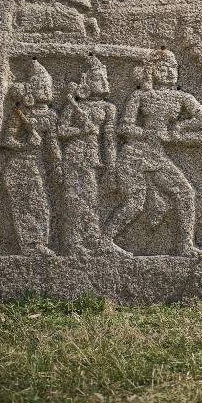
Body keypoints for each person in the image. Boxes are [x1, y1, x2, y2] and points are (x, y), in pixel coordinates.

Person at [104, 48, 202, 256]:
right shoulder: (141, 95)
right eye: (164, 67)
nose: (170, 71)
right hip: (135, 155)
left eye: (173, 67)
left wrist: (180, 128)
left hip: (157, 155)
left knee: (185, 193)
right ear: (152, 71)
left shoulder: (182, 97)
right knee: (135, 203)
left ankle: (185, 245)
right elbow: (124, 128)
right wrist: (150, 133)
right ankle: (105, 240)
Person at [0, 59, 62, 256]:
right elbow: (7, 140)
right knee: (27, 203)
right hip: (19, 165)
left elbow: (52, 143)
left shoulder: (50, 116)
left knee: (43, 203)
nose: (45, 89)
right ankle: (31, 245)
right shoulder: (20, 114)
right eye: (41, 86)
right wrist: (25, 144)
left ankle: (41, 242)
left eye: (47, 86)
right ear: (31, 89)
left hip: (37, 165)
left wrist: (58, 164)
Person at [57, 54, 117, 255]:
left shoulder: (109, 108)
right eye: (98, 79)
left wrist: (111, 165)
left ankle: (91, 238)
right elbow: (61, 130)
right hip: (74, 154)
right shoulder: (74, 105)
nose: (104, 83)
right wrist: (82, 131)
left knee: (91, 198)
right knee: (74, 197)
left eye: (104, 79)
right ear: (87, 82)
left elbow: (109, 139)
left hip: (93, 156)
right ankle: (73, 243)